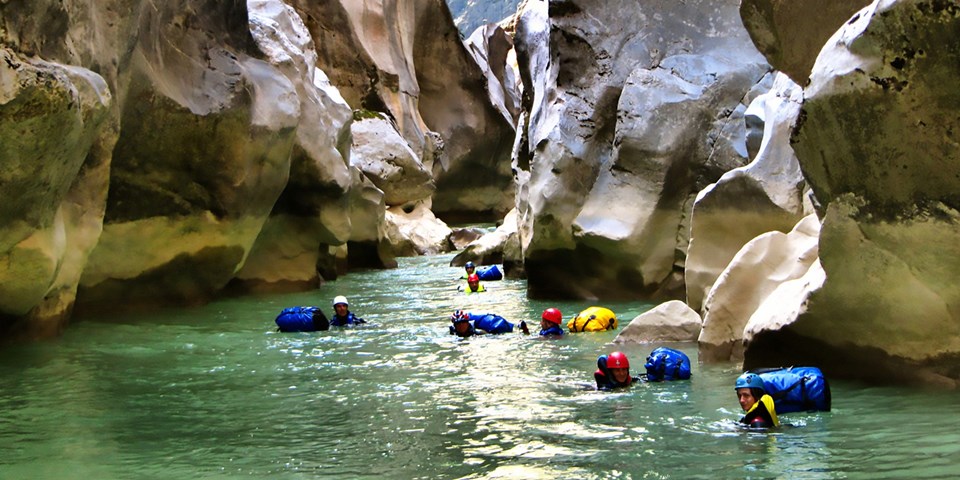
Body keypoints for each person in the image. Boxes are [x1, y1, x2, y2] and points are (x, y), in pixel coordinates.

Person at [449, 310, 528, 337]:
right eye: (458, 324)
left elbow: (489, 335)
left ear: (467, 322)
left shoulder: (476, 331)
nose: (461, 326)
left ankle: (522, 328)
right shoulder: (453, 332)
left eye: (463, 323)